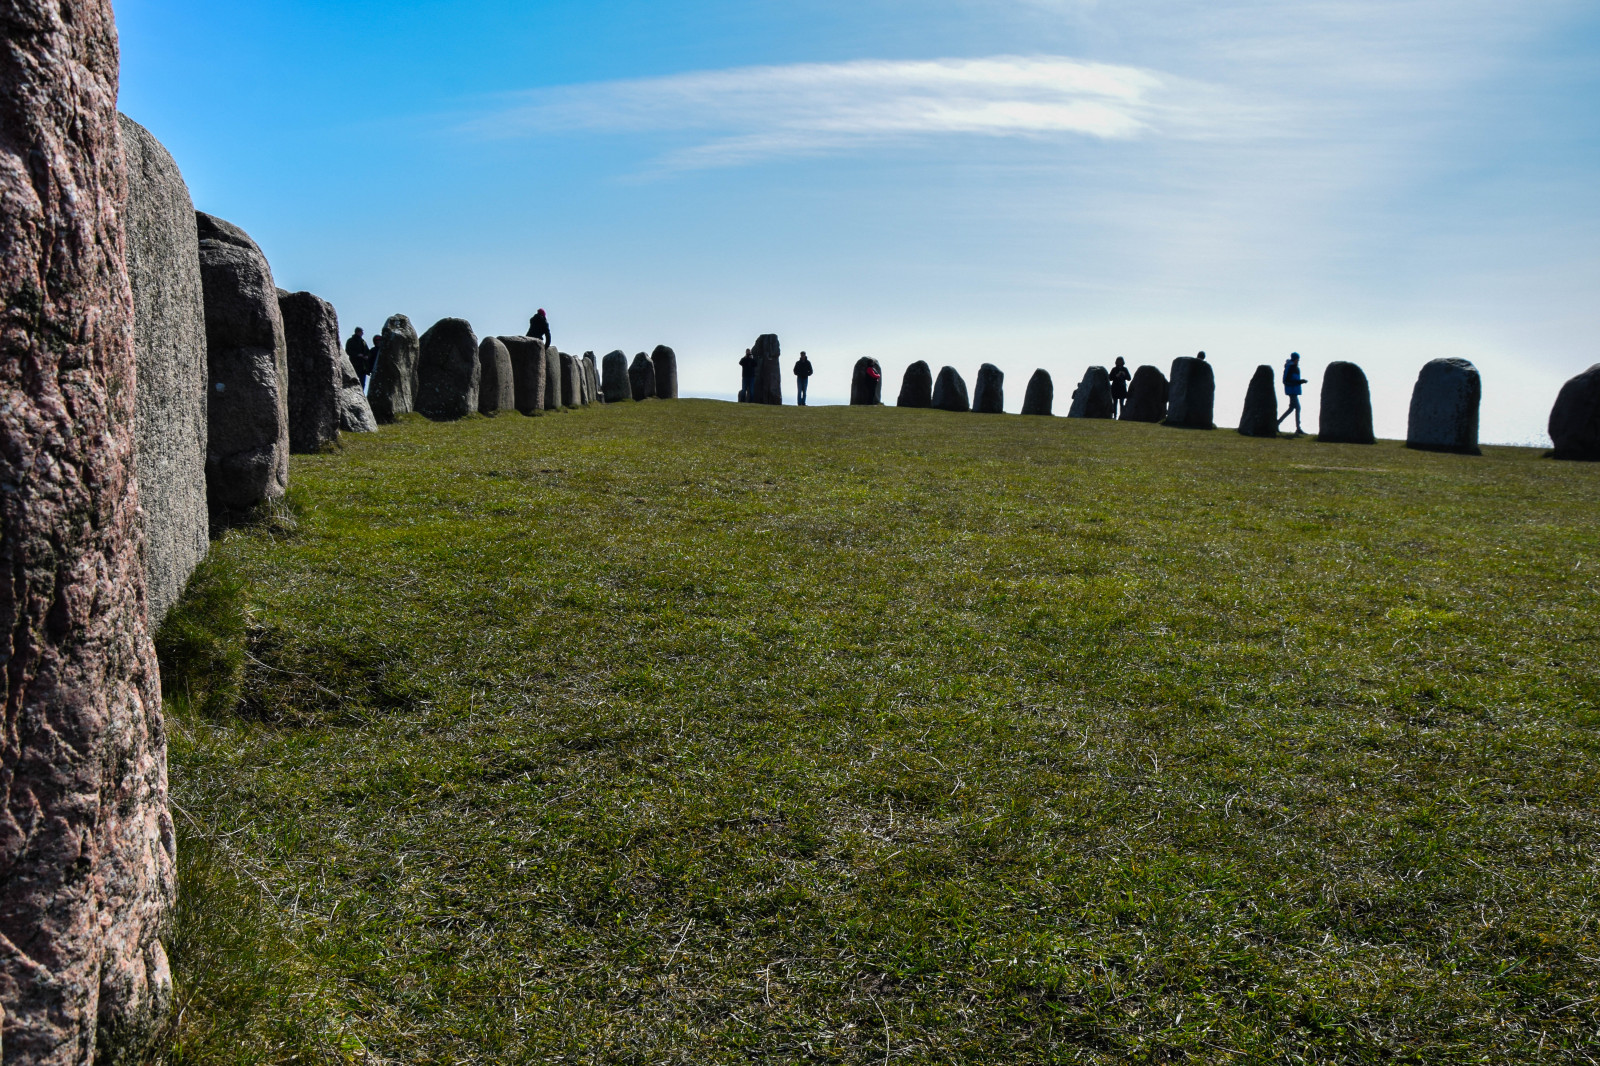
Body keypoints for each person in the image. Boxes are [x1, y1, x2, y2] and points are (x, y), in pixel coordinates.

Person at [1278, 352, 1308, 435]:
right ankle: (1298, 428)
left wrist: (1300, 382)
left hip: (1293, 390)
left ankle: (1278, 423)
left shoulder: (1294, 367)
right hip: (1291, 390)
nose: (1298, 360)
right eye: (1297, 359)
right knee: (1297, 407)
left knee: (1291, 408)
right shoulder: (1291, 367)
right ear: (1295, 359)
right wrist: (1300, 382)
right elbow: (1286, 380)